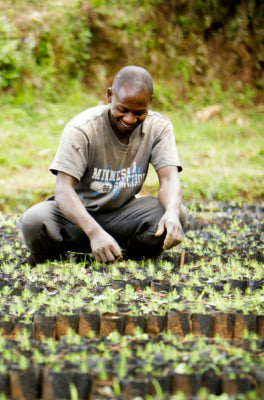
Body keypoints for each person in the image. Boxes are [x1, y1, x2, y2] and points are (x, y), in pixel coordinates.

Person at [17, 65, 186, 265]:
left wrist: (172, 214)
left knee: (176, 213)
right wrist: (94, 232)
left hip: (122, 216)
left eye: (139, 112)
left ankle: (133, 259)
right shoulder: (82, 128)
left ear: (150, 103)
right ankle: (56, 258)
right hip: (76, 218)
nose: (130, 119)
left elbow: (168, 179)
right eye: (122, 110)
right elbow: (63, 190)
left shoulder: (159, 127)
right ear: (109, 96)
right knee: (34, 221)